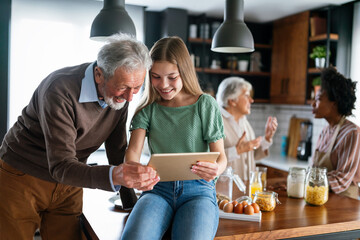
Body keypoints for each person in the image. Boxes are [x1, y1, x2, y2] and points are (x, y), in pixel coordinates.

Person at [0, 34, 160, 240]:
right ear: (99, 74)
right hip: (23, 175)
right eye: (123, 87)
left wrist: (130, 202)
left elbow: (117, 150)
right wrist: (115, 176)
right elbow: (60, 165)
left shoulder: (120, 96)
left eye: (136, 88)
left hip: (70, 180)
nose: (130, 97)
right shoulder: (59, 90)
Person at [121, 36, 227, 240]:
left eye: (172, 77)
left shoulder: (205, 105)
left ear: (184, 72)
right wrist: (136, 172)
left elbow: (221, 157)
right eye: (156, 77)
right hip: (157, 190)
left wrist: (217, 169)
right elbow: (132, 152)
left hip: (198, 191)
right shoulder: (147, 109)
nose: (164, 85)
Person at [311, 66, 360, 200]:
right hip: (321, 198)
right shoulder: (324, 132)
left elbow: (342, 178)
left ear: (335, 103)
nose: (313, 104)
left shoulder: (352, 133)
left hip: (343, 204)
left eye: (319, 99)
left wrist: (308, 182)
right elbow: (314, 169)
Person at [216, 77, 278, 181]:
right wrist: (237, 150)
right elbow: (209, 159)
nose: (251, 100)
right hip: (226, 190)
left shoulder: (244, 121)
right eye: (246, 96)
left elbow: (252, 155)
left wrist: (267, 138)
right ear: (232, 101)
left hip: (246, 187)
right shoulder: (216, 121)